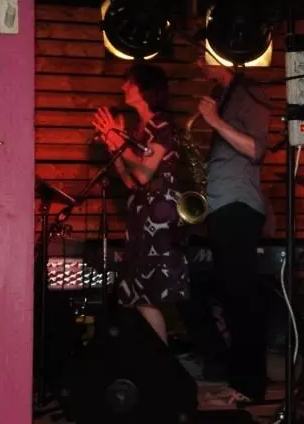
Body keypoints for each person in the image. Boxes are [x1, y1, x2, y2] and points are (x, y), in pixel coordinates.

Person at [92, 63, 189, 345]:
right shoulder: (140, 130)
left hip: (159, 218)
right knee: (138, 295)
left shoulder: (162, 125)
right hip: (141, 217)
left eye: (130, 83)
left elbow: (145, 173)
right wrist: (114, 144)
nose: (124, 87)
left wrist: (115, 137)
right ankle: (155, 361)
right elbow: (131, 181)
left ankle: (161, 362)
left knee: (148, 295)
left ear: (145, 89)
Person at [195, 56, 272, 408]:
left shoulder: (250, 92)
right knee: (231, 299)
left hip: (238, 206)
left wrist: (213, 121)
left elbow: (256, 149)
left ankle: (250, 386)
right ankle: (239, 381)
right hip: (222, 207)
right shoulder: (224, 93)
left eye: (203, 52)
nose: (198, 60)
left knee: (242, 301)